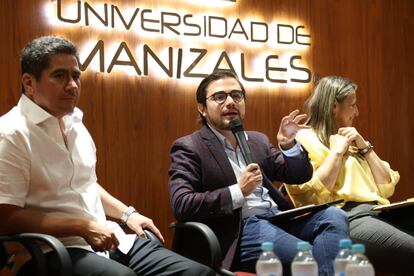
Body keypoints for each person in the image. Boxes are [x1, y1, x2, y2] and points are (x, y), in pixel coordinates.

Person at [0, 36, 214, 276]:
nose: (72, 85)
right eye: (60, 76)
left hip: (105, 237)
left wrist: (127, 213)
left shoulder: (75, 125)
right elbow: (6, 216)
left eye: (75, 76)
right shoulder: (11, 133)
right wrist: (82, 226)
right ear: (29, 83)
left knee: (196, 272)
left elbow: (87, 184)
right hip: (49, 251)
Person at [167, 69, 350, 276]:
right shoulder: (190, 147)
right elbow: (182, 204)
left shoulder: (257, 140)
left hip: (278, 219)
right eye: (220, 97)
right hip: (239, 230)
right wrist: (238, 191)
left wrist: (288, 145)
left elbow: (300, 175)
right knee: (308, 258)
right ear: (202, 108)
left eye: (236, 96)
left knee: (334, 215)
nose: (230, 102)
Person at [284, 75, 414, 275]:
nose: (357, 112)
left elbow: (387, 186)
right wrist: (336, 153)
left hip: (380, 211)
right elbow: (310, 198)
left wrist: (365, 147)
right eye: (352, 105)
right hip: (347, 218)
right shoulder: (304, 139)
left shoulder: (352, 139)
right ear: (334, 106)